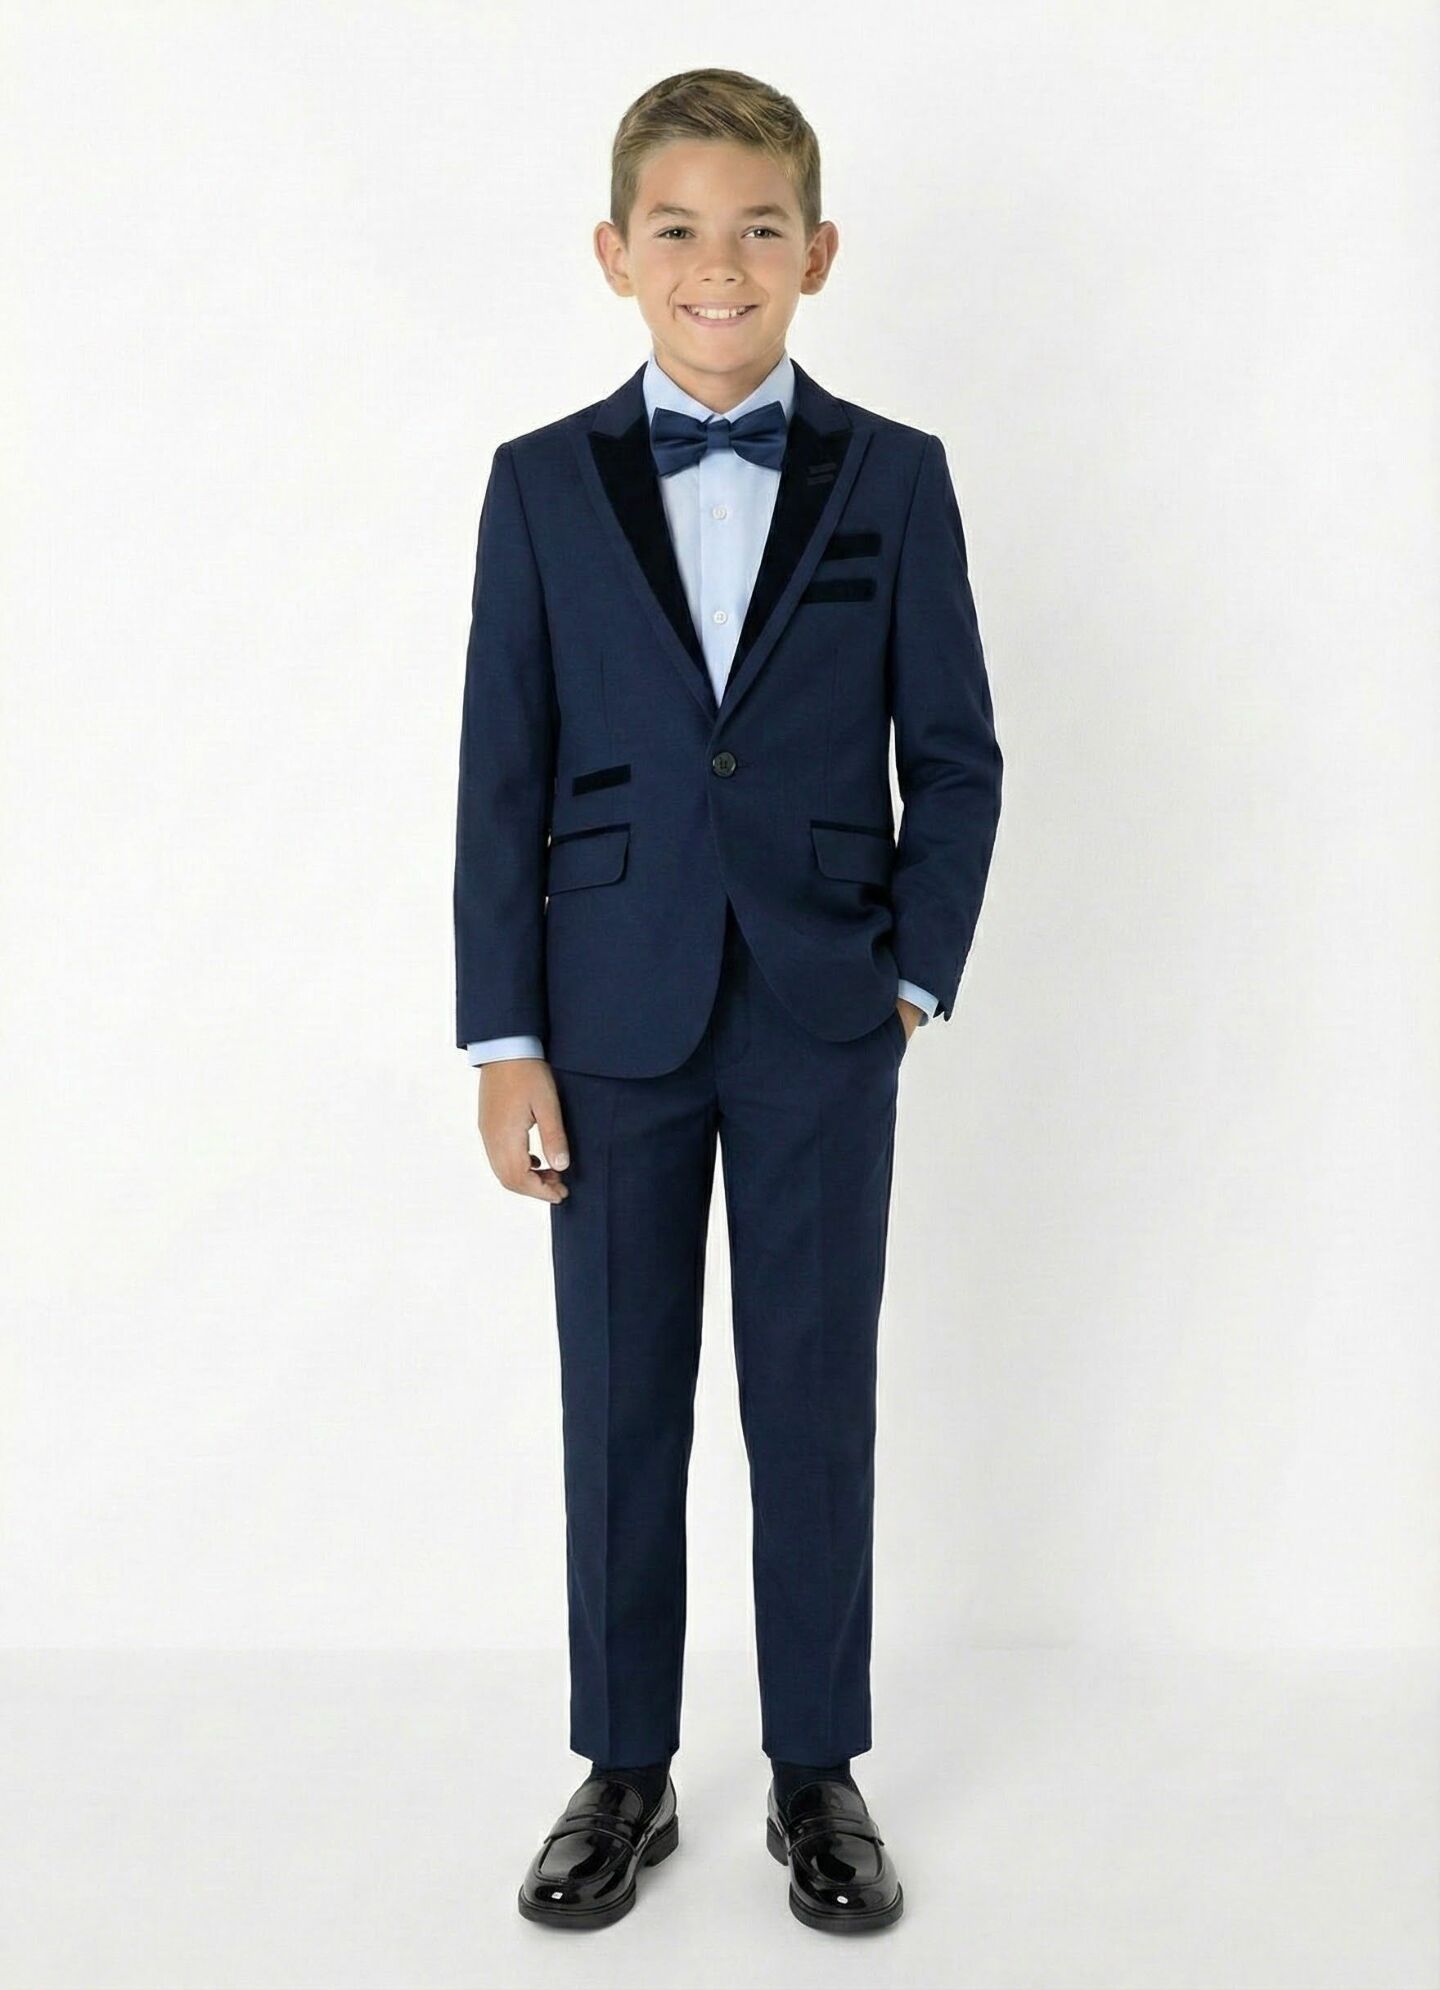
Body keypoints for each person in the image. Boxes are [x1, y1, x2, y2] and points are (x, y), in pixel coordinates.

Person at [453, 65, 1002, 1934]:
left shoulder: (896, 476)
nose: (721, 263)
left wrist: (908, 978)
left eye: (760, 228)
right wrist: (503, 1038)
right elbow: (501, 777)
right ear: (615, 255)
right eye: (678, 229)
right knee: (622, 1401)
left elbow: (958, 756)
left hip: (823, 1015)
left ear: (818, 253)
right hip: (605, 1016)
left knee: (813, 1397)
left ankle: (816, 1769)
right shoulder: (538, 485)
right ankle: (625, 1767)